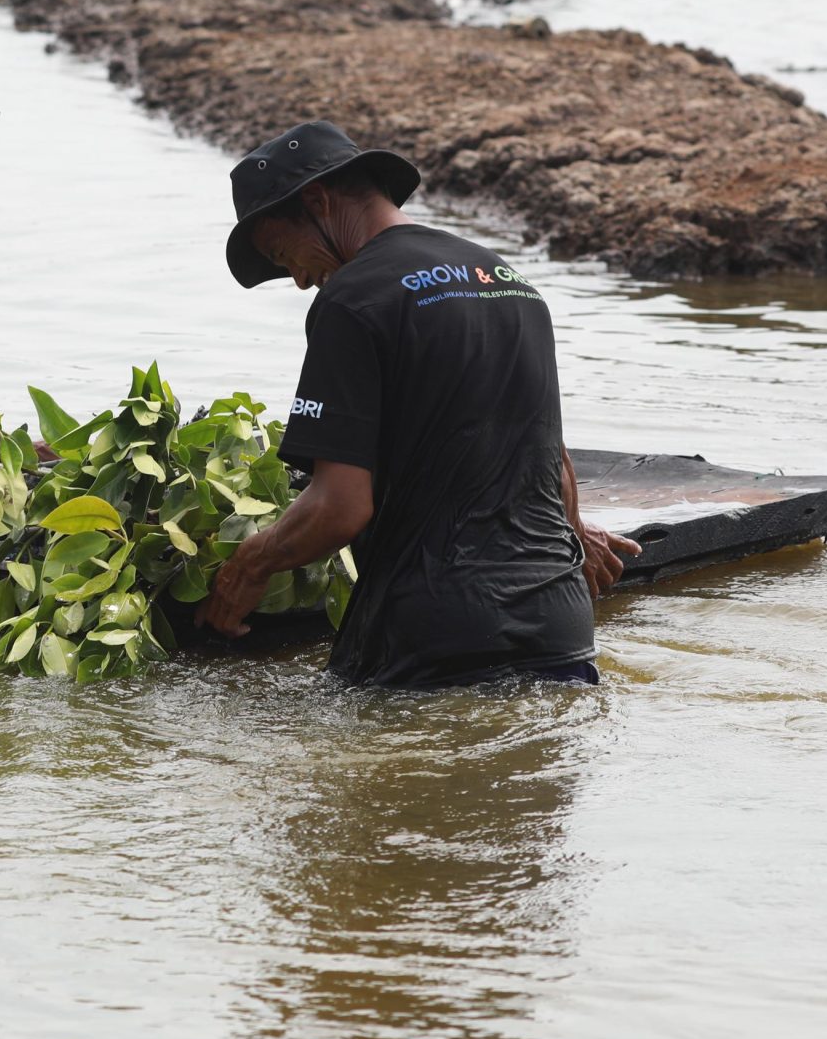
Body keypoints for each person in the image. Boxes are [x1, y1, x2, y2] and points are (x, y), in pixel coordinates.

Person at [197, 120, 639, 688]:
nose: (302, 280)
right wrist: (574, 527)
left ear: (318, 200)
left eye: (285, 255)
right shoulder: (508, 281)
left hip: (434, 638)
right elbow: (547, 453)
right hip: (560, 626)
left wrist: (247, 566)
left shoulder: (353, 300)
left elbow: (339, 507)